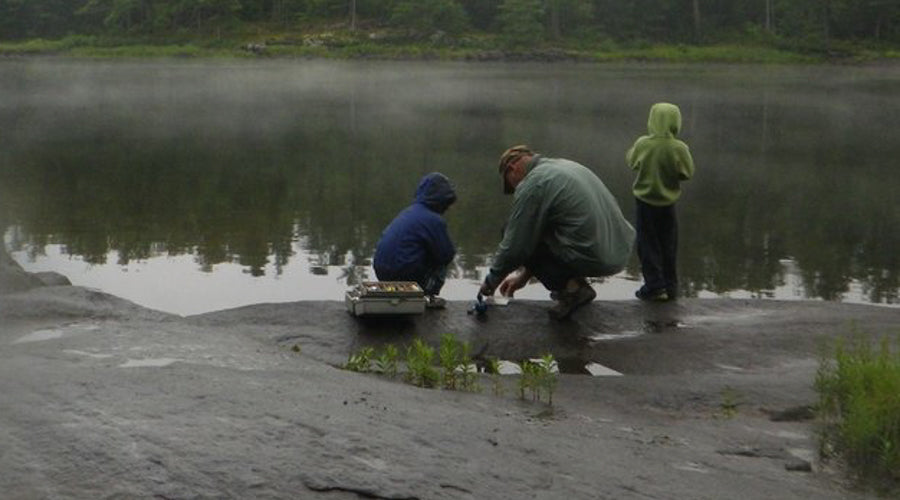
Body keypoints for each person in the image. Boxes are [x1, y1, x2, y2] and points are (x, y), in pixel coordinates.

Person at [479, 146, 635, 320]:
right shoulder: (566, 166)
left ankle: (573, 290)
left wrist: (490, 282)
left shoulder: (534, 183)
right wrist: (523, 278)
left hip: (595, 255)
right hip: (619, 251)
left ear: (512, 168)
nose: (516, 189)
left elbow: (516, 245)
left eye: (511, 184)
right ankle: (575, 285)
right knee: (540, 227)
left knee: (510, 229)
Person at [626, 102, 695, 302]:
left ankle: (655, 287)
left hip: (645, 202)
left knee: (647, 244)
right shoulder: (679, 147)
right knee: (668, 244)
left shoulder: (643, 144)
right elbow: (687, 173)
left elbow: (632, 162)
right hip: (668, 204)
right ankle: (671, 286)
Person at [373, 172, 457, 307]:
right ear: (442, 201)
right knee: (441, 261)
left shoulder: (408, 212)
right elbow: (446, 254)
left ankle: (396, 296)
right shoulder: (434, 220)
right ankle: (427, 297)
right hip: (405, 275)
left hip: (382, 272)